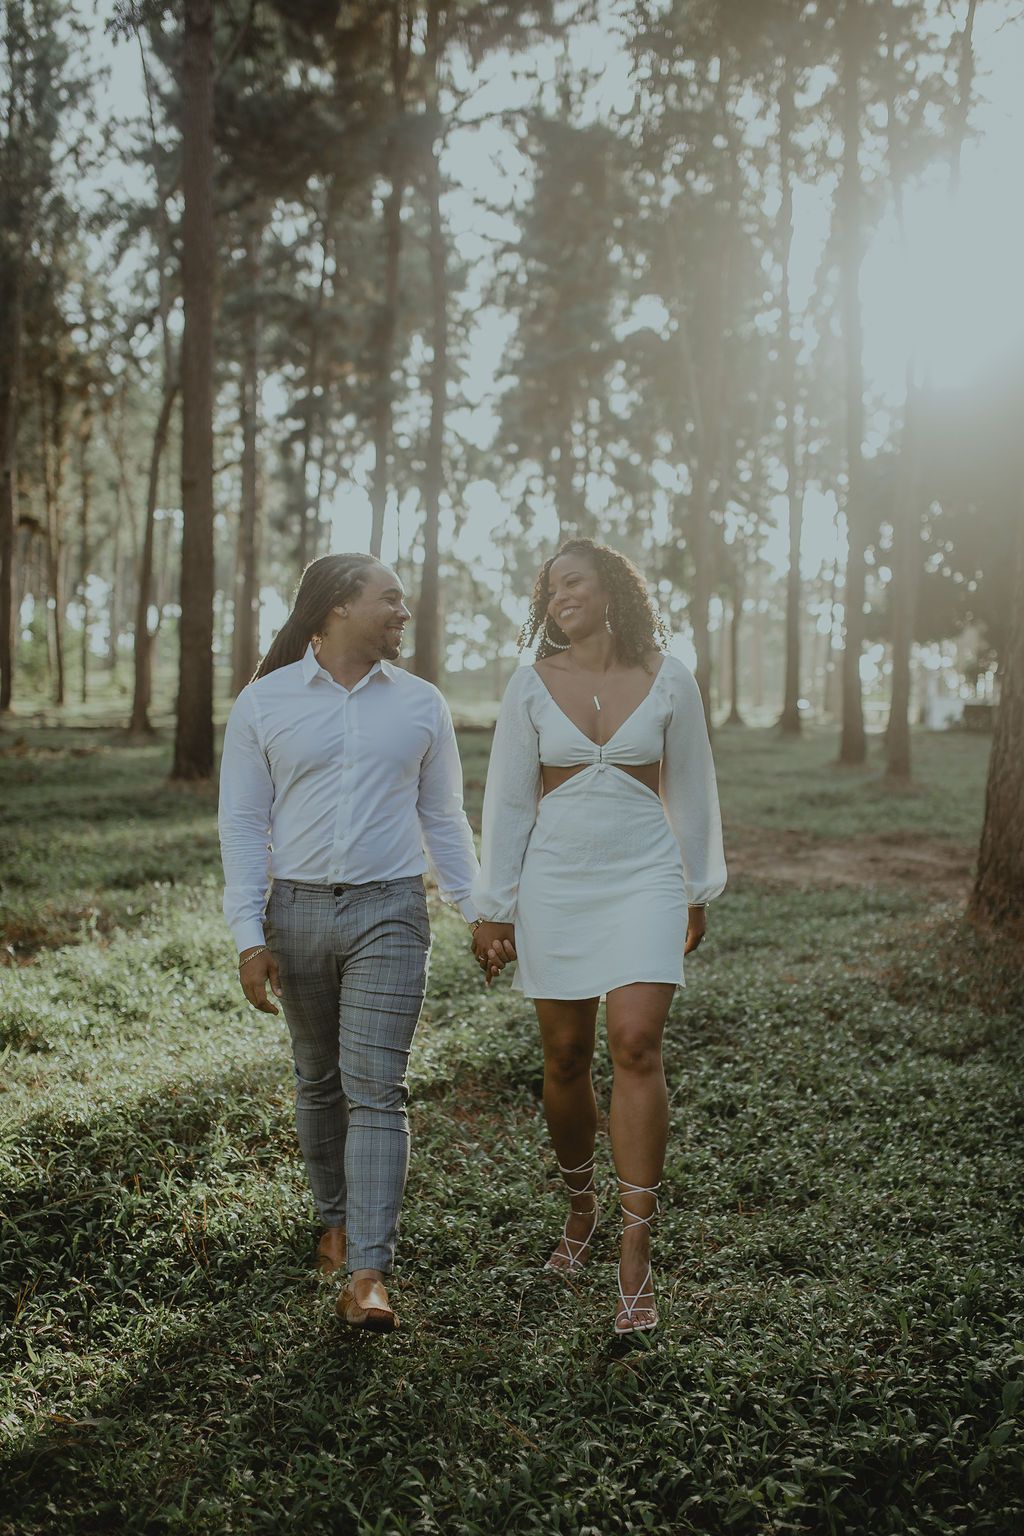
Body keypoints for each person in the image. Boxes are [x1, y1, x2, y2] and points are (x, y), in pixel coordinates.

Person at [218, 553, 485, 1333]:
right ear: (336, 607)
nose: (404, 612)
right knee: (317, 1078)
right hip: (294, 913)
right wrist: (247, 936)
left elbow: (443, 818)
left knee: (378, 1086)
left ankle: (368, 1269)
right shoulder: (264, 704)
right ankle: (331, 1219)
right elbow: (243, 824)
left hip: (391, 911)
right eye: (390, 599)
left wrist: (478, 911)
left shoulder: (421, 705)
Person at [470, 538, 726, 1334]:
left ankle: (635, 1251)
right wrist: (495, 903)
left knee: (636, 1042)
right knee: (566, 1056)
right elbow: (509, 802)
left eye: (571, 583)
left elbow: (693, 786)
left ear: (611, 588)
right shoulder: (530, 685)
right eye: (549, 591)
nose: (558, 599)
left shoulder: (669, 677)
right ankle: (580, 1204)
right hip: (557, 881)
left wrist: (695, 887)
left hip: (646, 874)